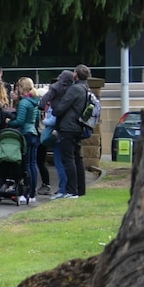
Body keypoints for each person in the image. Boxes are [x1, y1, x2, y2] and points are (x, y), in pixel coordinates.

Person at [51, 64, 91, 198]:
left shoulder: (75, 89)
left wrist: (55, 108)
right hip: (78, 126)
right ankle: (80, 189)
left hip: (68, 127)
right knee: (77, 158)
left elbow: (61, 107)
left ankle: (71, 190)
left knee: (68, 159)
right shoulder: (86, 88)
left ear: (76, 75)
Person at [39, 70, 75, 199]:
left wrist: (44, 120)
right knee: (68, 161)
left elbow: (44, 104)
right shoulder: (73, 90)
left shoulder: (56, 90)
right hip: (70, 130)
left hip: (57, 131)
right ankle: (68, 188)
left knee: (60, 162)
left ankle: (62, 189)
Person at [8, 77, 40, 204]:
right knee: (33, 164)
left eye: (19, 87)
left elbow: (20, 121)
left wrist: (9, 122)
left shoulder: (23, 103)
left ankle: (26, 193)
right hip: (34, 133)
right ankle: (32, 193)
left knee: (26, 165)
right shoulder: (35, 101)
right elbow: (36, 119)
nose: (18, 89)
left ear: (23, 88)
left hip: (25, 134)